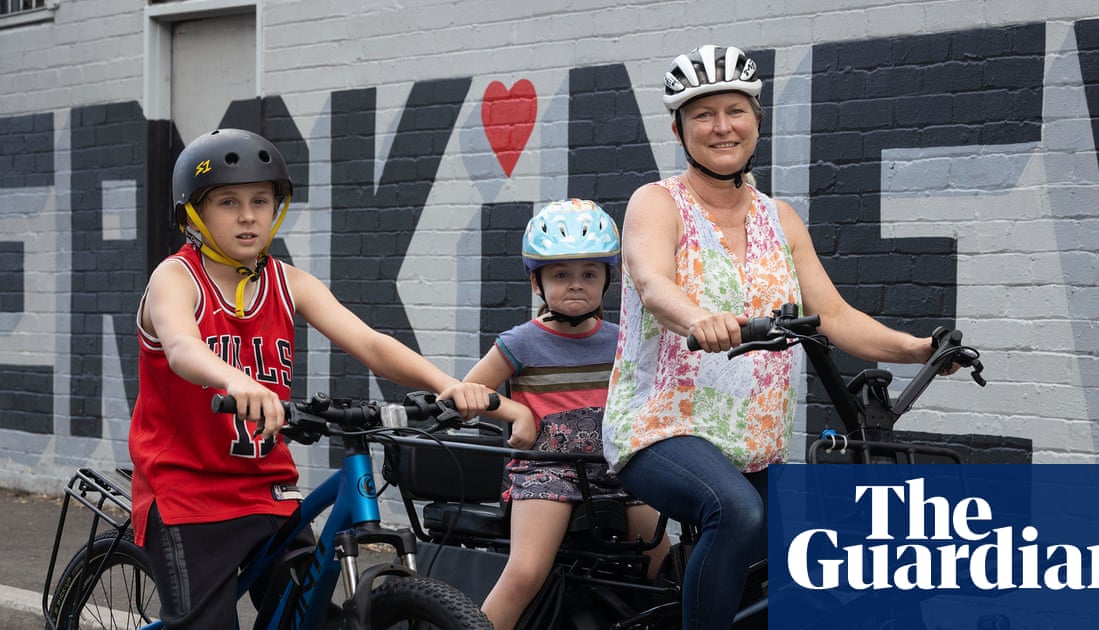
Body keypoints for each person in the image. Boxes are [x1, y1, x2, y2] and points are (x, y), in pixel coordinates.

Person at [602, 45, 948, 630]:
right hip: (661, 427)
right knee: (734, 513)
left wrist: (920, 349)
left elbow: (834, 316)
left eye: (734, 110)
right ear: (678, 128)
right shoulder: (657, 203)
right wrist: (697, 319)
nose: (721, 127)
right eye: (701, 114)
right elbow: (652, 280)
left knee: (785, 582)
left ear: (756, 121)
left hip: (755, 441)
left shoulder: (779, 218)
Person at [129, 128, 499, 629]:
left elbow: (370, 344)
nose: (247, 215)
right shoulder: (174, 279)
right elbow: (181, 347)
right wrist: (236, 381)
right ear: (193, 214)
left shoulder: (289, 282)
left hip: (267, 490)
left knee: (312, 614)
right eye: (227, 202)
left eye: (260, 200)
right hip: (186, 494)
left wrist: (445, 383)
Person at [464, 199, 671, 630]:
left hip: (614, 466)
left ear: (608, 279)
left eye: (589, 274)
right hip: (547, 470)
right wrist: (514, 410)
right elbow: (467, 391)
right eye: (561, 274)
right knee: (525, 572)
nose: (576, 285)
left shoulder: (623, 339)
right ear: (537, 282)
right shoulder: (520, 342)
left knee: (667, 567)